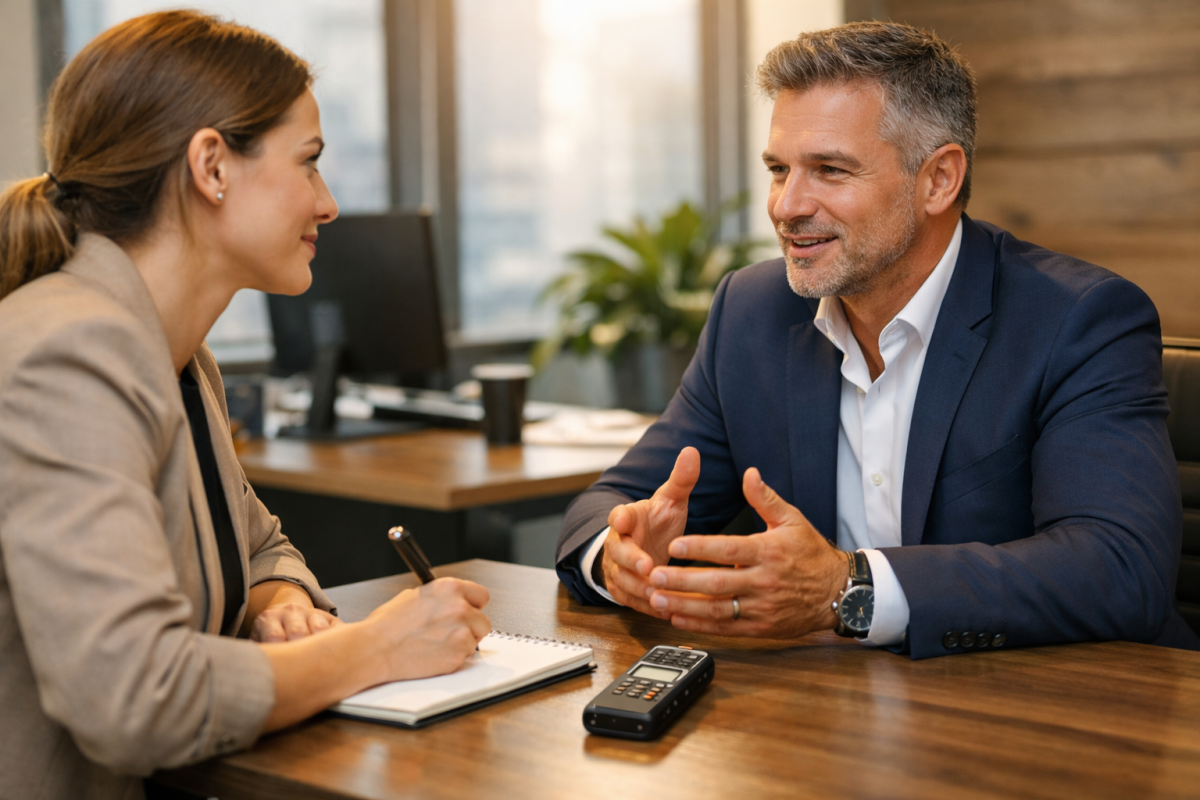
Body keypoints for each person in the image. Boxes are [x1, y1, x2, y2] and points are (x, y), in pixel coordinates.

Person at [556, 21, 1200, 658]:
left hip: (1043, 703)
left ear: (938, 180)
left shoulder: (1079, 319)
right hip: (822, 701)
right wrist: (618, 555)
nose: (786, 205)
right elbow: (609, 505)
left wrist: (848, 590)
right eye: (779, 169)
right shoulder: (750, 313)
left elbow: (1120, 567)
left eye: (830, 170)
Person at [0, 12, 490, 800]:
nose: (327, 204)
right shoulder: (70, 352)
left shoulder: (180, 356)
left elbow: (259, 547)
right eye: (309, 163)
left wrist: (280, 603)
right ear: (212, 166)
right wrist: (376, 648)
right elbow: (136, 699)